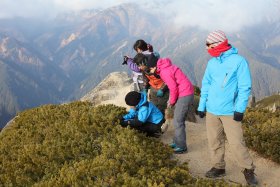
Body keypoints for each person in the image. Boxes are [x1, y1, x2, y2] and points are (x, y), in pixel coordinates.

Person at [197, 30, 258, 186]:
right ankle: (218, 167)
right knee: (214, 141)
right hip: (211, 110)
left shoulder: (239, 61)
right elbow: (206, 84)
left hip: (230, 111)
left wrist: (239, 109)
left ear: (218, 44)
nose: (207, 48)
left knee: (237, 143)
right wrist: (202, 105)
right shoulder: (212, 63)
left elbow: (245, 87)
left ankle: (248, 170)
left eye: (209, 45)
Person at [151, 58, 194, 154]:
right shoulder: (168, 68)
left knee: (178, 121)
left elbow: (173, 88)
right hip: (185, 92)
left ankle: (182, 146)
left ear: (154, 67)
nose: (150, 71)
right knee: (176, 119)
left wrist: (172, 101)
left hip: (184, 94)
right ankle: (176, 141)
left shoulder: (164, 72)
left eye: (150, 69)